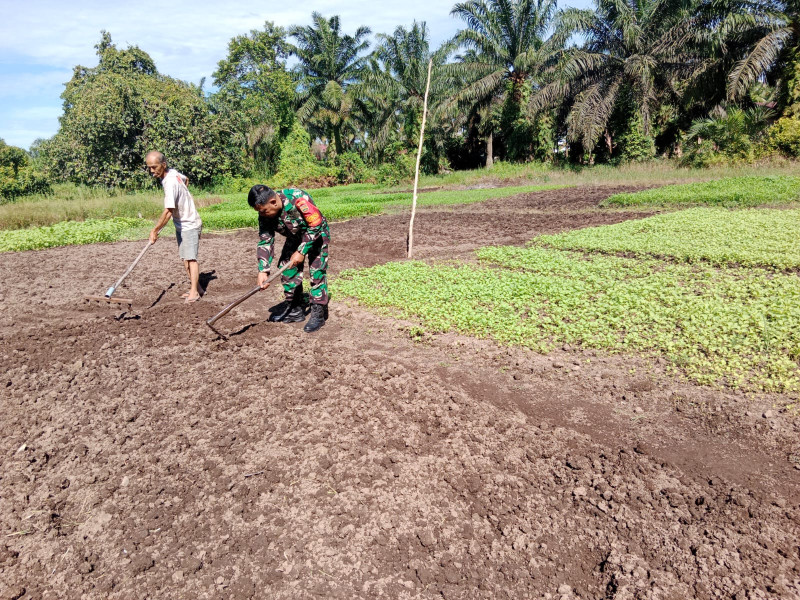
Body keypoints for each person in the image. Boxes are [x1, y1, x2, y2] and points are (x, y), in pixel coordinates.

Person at [247, 185, 330, 333]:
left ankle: (319, 312)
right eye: (260, 212)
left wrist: (302, 251)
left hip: (316, 234)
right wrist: (263, 270)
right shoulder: (264, 213)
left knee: (316, 271)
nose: (263, 215)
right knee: (287, 267)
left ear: (273, 202)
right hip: (295, 237)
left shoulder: (298, 197)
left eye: (264, 211)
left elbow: (315, 224)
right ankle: (295, 308)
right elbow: (266, 240)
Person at [145, 151, 203, 303]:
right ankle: (197, 287)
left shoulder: (170, 183)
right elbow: (186, 179)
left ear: (163, 165)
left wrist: (155, 230)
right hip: (181, 224)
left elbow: (168, 211)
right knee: (185, 257)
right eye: (149, 167)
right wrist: (182, 200)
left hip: (189, 223)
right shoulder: (173, 173)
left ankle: (194, 293)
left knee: (191, 258)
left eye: (154, 167)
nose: (152, 171)